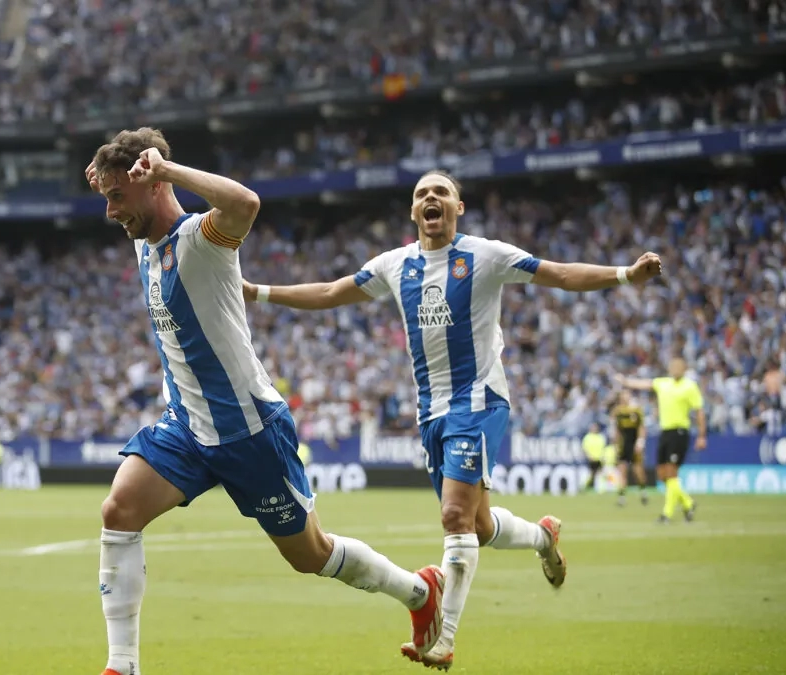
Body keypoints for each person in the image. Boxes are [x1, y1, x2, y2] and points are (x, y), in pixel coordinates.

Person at [243, 169, 664, 669]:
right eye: (422, 194)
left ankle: (443, 639)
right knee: (479, 526)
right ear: (413, 212)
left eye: (441, 192)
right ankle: (543, 537)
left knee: (454, 518)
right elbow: (332, 292)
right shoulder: (394, 265)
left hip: (479, 401)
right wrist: (258, 292)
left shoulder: (484, 255)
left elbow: (562, 274)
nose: (431, 198)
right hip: (431, 414)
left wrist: (625, 276)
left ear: (458, 207)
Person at [86, 128, 443, 675]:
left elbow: (246, 203)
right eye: (106, 197)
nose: (110, 211)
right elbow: (127, 198)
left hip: (248, 428)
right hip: (186, 426)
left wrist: (168, 170)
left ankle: (418, 593)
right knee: (119, 510)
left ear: (153, 184)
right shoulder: (144, 240)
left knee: (311, 555)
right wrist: (109, 177)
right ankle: (122, 665)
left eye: (117, 198)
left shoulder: (202, 238)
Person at [616, 358, 704, 523]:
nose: (675, 369)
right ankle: (688, 503)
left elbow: (699, 411)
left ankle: (667, 514)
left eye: (678, 366)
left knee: (671, 472)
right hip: (665, 432)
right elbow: (644, 384)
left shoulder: (690, 386)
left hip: (679, 432)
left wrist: (701, 435)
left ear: (684, 369)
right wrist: (625, 381)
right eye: (673, 365)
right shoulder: (663, 383)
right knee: (662, 475)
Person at [610, 389, 649, 506]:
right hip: (623, 444)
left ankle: (643, 492)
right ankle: (622, 497)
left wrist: (640, 442)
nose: (625, 397)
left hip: (634, 442)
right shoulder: (617, 411)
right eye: (623, 395)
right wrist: (615, 444)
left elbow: (641, 427)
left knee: (638, 470)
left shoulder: (636, 410)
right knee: (622, 470)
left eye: (627, 395)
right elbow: (616, 429)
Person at [581, 422, 606, 492]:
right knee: (591, 474)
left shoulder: (601, 437)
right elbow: (584, 448)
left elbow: (603, 448)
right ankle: (584, 487)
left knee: (600, 474)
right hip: (591, 459)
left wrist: (603, 457)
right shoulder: (587, 437)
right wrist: (588, 456)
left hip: (599, 459)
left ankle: (601, 489)